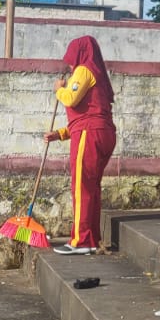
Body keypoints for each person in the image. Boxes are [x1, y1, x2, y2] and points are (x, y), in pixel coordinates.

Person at [44, 35, 117, 256]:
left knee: (81, 187)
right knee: (91, 187)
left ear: (80, 53)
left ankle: (81, 240)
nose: (69, 64)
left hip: (90, 134)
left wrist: (58, 88)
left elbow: (70, 99)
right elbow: (89, 114)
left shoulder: (84, 71)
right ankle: (92, 238)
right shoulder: (98, 77)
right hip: (100, 133)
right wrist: (60, 134)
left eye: (71, 58)